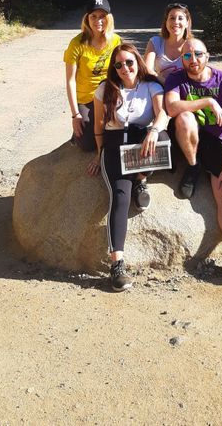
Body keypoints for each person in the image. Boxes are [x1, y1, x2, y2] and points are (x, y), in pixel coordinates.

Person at [165, 37, 222, 280]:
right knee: (183, 118)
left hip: (215, 141)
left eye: (198, 55)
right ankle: (192, 166)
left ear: (207, 56)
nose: (193, 60)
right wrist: (208, 102)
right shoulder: (176, 78)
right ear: (181, 59)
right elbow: (171, 108)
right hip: (187, 137)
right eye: (188, 56)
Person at [90, 43, 169, 291]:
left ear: (138, 61)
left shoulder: (152, 86)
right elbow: (99, 125)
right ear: (114, 68)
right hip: (115, 146)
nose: (125, 68)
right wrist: (98, 153)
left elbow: (163, 114)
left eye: (129, 62)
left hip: (141, 143)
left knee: (165, 141)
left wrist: (154, 131)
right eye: (119, 64)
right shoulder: (106, 89)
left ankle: (141, 177)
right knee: (119, 199)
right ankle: (117, 265)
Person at [63, 0, 120, 152]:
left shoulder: (115, 41)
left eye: (102, 16)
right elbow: (70, 81)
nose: (98, 20)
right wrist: (75, 115)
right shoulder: (77, 44)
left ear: (109, 18)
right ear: (86, 18)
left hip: (108, 95)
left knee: (114, 132)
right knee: (87, 144)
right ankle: (80, 129)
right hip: (86, 98)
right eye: (93, 16)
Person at [144, 2, 192, 83]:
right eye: (172, 18)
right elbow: (147, 70)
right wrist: (168, 84)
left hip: (184, 89)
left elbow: (196, 72)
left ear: (187, 23)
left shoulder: (191, 46)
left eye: (180, 18)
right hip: (159, 88)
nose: (176, 22)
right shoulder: (155, 42)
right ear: (166, 22)